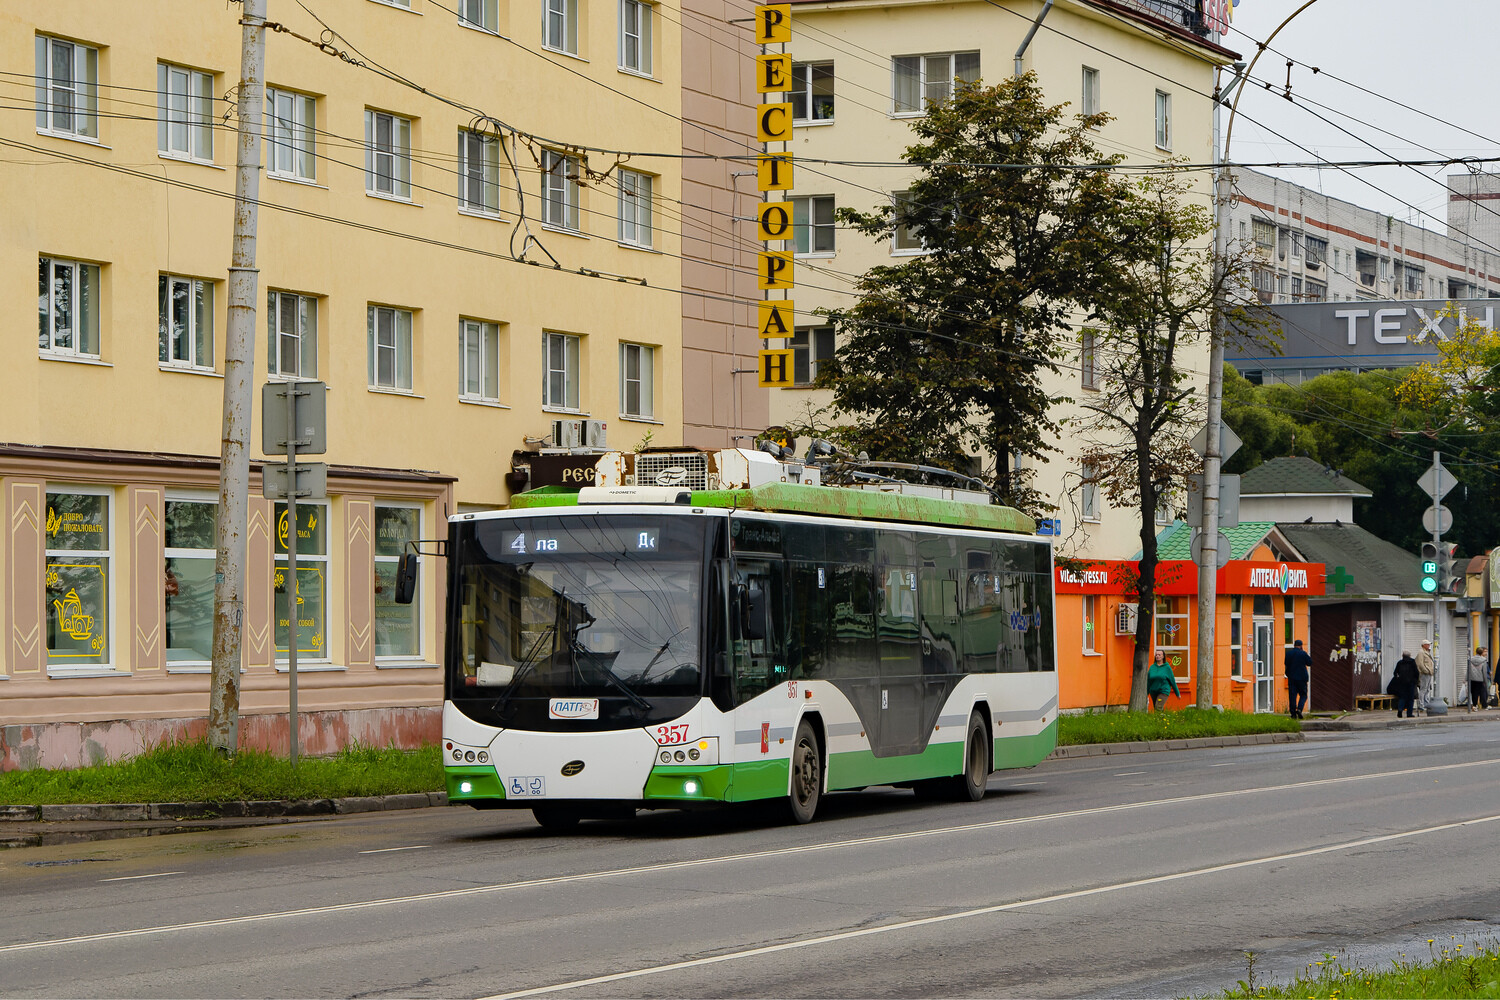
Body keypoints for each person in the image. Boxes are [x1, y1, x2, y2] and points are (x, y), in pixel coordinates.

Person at [1284, 638, 1312, 719]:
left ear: (1294, 645)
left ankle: (1293, 714)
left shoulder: (1289, 653)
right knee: (1303, 695)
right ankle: (1299, 709)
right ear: (1301, 646)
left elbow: (1286, 664)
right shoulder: (1303, 653)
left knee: (1292, 696)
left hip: (1292, 678)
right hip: (1302, 678)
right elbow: (1310, 663)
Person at [1390, 650, 1420, 718]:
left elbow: (1395, 673)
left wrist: (1398, 679)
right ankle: (1409, 713)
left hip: (1402, 683)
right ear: (1410, 656)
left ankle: (1400, 710)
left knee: (1402, 697)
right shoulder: (1412, 662)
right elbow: (1416, 672)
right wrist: (1415, 680)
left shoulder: (1400, 663)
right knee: (1410, 698)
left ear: (1402, 656)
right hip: (1411, 683)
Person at [1466, 646, 1490, 712]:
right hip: (1480, 679)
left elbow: (1468, 669)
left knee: (1473, 692)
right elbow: (1484, 671)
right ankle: (1482, 704)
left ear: (1476, 652)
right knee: (1480, 692)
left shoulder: (1470, 659)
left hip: (1472, 678)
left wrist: (1466, 678)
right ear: (1481, 653)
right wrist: (1485, 680)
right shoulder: (1483, 660)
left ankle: (1474, 705)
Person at [1415, 640, 1435, 711]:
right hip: (1424, 674)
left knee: (1427, 689)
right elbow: (1420, 663)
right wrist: (1426, 671)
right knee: (1423, 689)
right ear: (1423, 645)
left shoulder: (1427, 652)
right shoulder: (1421, 652)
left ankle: (1426, 703)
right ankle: (1421, 704)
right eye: (1427, 644)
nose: (1429, 646)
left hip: (1429, 673)